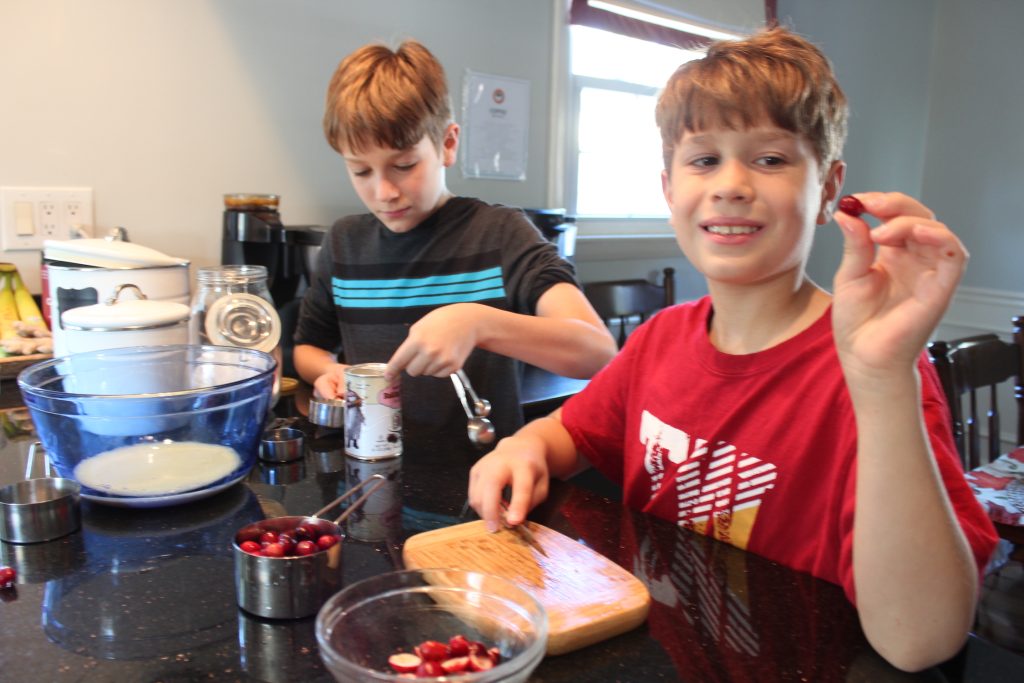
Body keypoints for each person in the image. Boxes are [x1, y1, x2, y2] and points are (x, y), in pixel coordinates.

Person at [467, 27, 998, 672]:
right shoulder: (661, 337)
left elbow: (920, 641)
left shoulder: (876, 371)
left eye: (771, 159)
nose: (732, 184)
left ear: (829, 189)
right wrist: (525, 445)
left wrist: (882, 379)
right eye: (704, 159)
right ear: (669, 189)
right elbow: (570, 432)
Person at [293, 40, 616, 441]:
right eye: (360, 171)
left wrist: (478, 323)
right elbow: (308, 348)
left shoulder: (500, 234)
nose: (384, 192)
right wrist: (331, 372)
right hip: (372, 478)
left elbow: (597, 352)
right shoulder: (344, 243)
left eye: (404, 165)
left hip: (482, 482)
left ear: (447, 143)